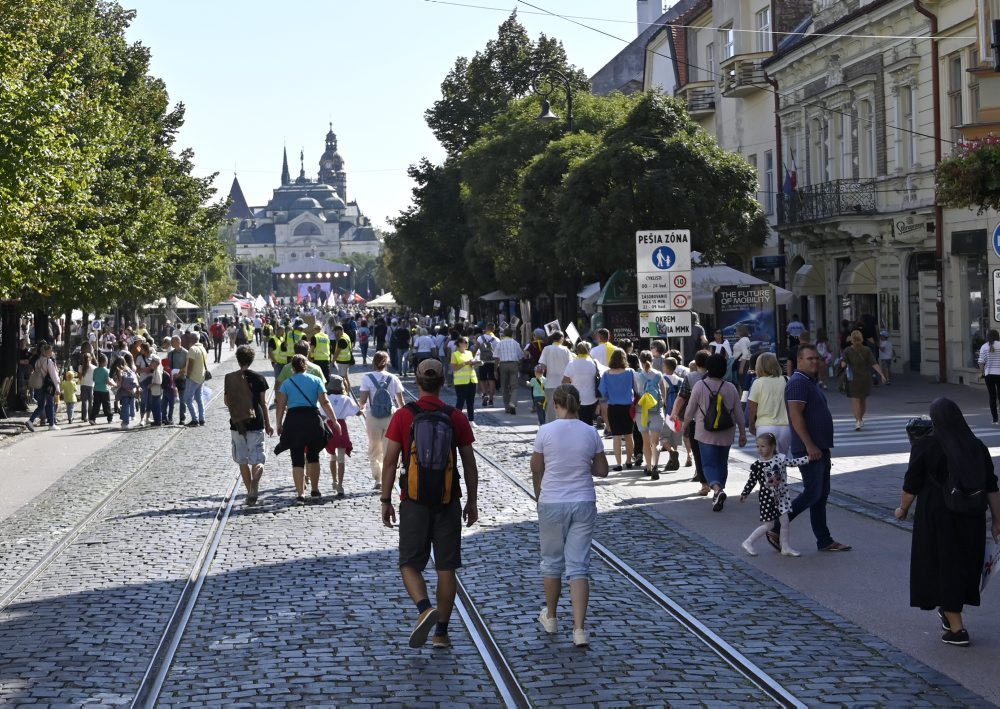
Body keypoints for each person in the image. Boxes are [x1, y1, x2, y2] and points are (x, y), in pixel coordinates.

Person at [380, 358, 479, 650]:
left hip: (413, 500)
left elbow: (389, 462)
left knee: (409, 563)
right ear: (443, 382)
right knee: (446, 567)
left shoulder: (403, 416)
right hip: (448, 500)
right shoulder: (455, 416)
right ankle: (442, 633)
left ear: (417, 381)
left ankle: (424, 608)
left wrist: (385, 499)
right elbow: (469, 464)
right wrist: (472, 501)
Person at [895, 398, 1000, 646]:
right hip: (972, 518)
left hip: (936, 517)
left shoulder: (926, 445)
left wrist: (902, 509)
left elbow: (911, 485)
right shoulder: (976, 446)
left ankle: (957, 630)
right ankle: (949, 612)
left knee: (941, 568)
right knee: (962, 566)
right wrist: (997, 521)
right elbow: (991, 487)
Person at [531, 384, 609, 648]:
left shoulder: (545, 431)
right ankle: (579, 630)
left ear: (555, 404)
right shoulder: (590, 432)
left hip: (552, 501)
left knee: (552, 562)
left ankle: (551, 617)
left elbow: (536, 468)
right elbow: (602, 471)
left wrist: (538, 497)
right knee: (579, 566)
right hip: (583, 501)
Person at [768, 344, 851, 553]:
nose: (815, 362)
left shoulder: (809, 382)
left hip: (819, 447)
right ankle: (776, 527)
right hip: (809, 448)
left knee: (820, 496)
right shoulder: (798, 383)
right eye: (810, 358)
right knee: (812, 494)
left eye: (817, 358)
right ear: (799, 361)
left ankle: (824, 540)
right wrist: (809, 445)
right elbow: (796, 415)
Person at [683, 353, 746, 511]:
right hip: (726, 432)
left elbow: (690, 410)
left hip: (705, 432)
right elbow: (739, 412)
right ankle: (720, 491)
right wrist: (743, 433)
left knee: (709, 464)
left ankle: (717, 490)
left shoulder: (700, 385)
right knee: (722, 463)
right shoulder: (731, 387)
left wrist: (685, 425)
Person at [274, 354, 341, 504]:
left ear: (292, 368)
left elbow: (281, 406)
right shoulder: (316, 380)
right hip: (312, 419)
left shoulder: (286, 383)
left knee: (296, 458)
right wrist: (334, 421)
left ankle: (300, 494)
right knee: (313, 455)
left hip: (293, 421)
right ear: (306, 366)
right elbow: (325, 402)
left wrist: (278, 424)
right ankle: (315, 489)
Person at [740, 433, 809, 556]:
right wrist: (745, 493)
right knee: (768, 525)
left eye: (763, 446)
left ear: (772, 447)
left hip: (781, 496)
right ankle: (748, 542)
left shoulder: (780, 459)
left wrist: (808, 458)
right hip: (767, 498)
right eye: (758, 446)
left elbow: (793, 462)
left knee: (785, 522)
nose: (759, 449)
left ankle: (785, 547)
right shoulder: (758, 465)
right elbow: (752, 480)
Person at [224, 345, 273, 505]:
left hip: (237, 423)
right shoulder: (259, 378)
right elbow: (263, 403)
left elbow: (226, 401)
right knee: (258, 459)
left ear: (238, 360)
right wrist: (268, 423)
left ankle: (249, 492)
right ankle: (255, 484)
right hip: (256, 422)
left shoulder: (229, 378)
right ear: (251, 360)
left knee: (243, 460)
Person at [358, 351, 405, 490]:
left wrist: (361, 408)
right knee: (389, 449)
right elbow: (401, 402)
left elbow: (362, 401)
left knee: (374, 448)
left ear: (373, 362)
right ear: (387, 362)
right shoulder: (393, 378)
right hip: (391, 417)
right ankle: (389, 477)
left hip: (373, 417)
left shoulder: (367, 378)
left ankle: (378, 479)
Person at [839, 329, 886, 431]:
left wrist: (841, 361)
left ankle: (858, 421)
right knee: (863, 400)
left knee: (855, 400)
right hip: (865, 378)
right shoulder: (866, 350)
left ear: (851, 339)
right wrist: (881, 374)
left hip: (853, 379)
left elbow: (843, 365)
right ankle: (860, 418)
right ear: (861, 338)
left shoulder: (847, 350)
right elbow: (874, 363)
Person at [324, 374, 362, 499]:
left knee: (332, 457)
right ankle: (340, 485)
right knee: (341, 459)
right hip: (341, 428)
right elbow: (357, 412)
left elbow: (321, 413)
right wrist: (362, 407)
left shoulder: (326, 398)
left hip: (330, 427)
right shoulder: (346, 399)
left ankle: (334, 480)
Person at [598, 349, 637, 472]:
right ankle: (629, 461)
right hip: (628, 408)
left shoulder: (606, 374)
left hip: (613, 408)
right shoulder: (630, 372)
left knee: (616, 436)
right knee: (629, 435)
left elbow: (602, 392)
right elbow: (637, 388)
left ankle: (618, 463)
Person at [747, 352, 790, 455]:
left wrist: (751, 426)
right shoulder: (786, 380)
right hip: (785, 427)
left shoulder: (758, 383)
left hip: (764, 426)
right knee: (781, 461)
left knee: (766, 462)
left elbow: (752, 409)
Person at [633, 350, 668, 480]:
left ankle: (648, 467)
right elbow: (663, 394)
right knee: (656, 442)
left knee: (645, 442)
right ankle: (655, 466)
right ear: (652, 361)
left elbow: (636, 393)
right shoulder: (659, 375)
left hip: (642, 412)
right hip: (656, 412)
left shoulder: (637, 376)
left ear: (640, 362)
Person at [561, 341, 601, 426]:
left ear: (577, 351)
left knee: (579, 421)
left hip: (576, 398)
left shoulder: (571, 363)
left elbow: (564, 382)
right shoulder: (594, 363)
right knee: (589, 421)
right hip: (592, 397)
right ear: (589, 350)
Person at [538, 332, 572, 424]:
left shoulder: (546, 349)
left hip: (550, 382)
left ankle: (549, 425)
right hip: (563, 383)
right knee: (563, 405)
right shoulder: (566, 350)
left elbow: (542, 365)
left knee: (550, 406)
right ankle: (562, 424)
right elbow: (571, 365)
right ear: (561, 338)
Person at [26, 343, 60, 432]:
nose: (52, 352)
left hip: (39, 385)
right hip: (48, 385)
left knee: (41, 406)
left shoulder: (38, 361)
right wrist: (57, 387)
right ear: (48, 352)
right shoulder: (49, 361)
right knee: (51, 404)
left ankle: (30, 421)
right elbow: (53, 375)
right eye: (51, 351)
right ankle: (52, 424)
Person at [495, 327, 525, 415]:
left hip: (503, 365)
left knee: (504, 386)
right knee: (514, 386)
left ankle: (507, 407)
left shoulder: (500, 343)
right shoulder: (515, 343)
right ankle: (512, 402)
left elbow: (496, 357)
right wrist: (519, 364)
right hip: (513, 364)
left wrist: (495, 370)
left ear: (504, 334)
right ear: (512, 334)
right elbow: (521, 355)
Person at [450, 336, 480, 425]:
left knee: (471, 401)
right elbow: (454, 368)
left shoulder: (469, 353)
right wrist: (465, 363)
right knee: (460, 402)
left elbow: (472, 366)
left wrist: (475, 364)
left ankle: (471, 420)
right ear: (459, 344)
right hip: (460, 382)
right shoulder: (455, 354)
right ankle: (456, 420)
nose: (467, 344)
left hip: (471, 379)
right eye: (465, 342)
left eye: (467, 342)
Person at [184, 335, 210, 427]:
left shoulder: (192, 349)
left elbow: (191, 363)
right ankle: (202, 419)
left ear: (191, 339)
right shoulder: (202, 348)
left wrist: (188, 375)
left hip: (193, 377)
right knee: (199, 399)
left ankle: (195, 419)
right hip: (201, 377)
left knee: (188, 399)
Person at [474, 324, 500, 407]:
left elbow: (475, 350)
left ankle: (485, 394)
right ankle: (491, 400)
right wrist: (496, 367)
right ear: (494, 329)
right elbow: (498, 355)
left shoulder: (480, 338)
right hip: (492, 362)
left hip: (482, 362)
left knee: (482, 379)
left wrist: (472, 359)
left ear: (486, 329)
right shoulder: (497, 340)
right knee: (492, 380)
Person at [115, 353, 140, 429]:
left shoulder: (120, 370)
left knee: (125, 406)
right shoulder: (129, 368)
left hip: (125, 390)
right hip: (132, 389)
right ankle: (132, 415)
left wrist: (116, 386)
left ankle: (125, 423)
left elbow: (120, 382)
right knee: (131, 403)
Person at [90, 354, 113, 424]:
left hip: (96, 389)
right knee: (106, 405)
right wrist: (113, 384)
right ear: (105, 362)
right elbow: (107, 381)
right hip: (104, 390)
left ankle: (92, 418)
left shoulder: (95, 370)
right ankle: (109, 418)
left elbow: (93, 379)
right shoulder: (106, 370)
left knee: (96, 405)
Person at [332, 324, 354, 389]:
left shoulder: (342, 339)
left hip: (342, 361)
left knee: (342, 379)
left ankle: (346, 392)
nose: (335, 333)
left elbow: (337, 353)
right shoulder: (346, 335)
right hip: (346, 359)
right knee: (345, 377)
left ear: (339, 330)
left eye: (335, 331)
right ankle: (348, 390)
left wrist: (332, 362)